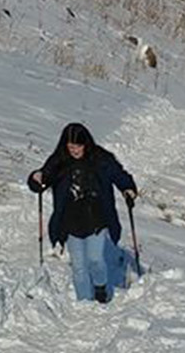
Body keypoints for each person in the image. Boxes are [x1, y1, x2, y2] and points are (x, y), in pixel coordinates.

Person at [27, 122, 138, 303]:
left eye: (78, 146)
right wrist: (36, 178)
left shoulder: (101, 158)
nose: (74, 150)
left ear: (86, 144)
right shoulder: (59, 161)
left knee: (95, 260)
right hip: (70, 221)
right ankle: (84, 303)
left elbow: (119, 175)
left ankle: (100, 286)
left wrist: (128, 189)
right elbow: (42, 179)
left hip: (97, 218)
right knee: (78, 267)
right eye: (71, 147)